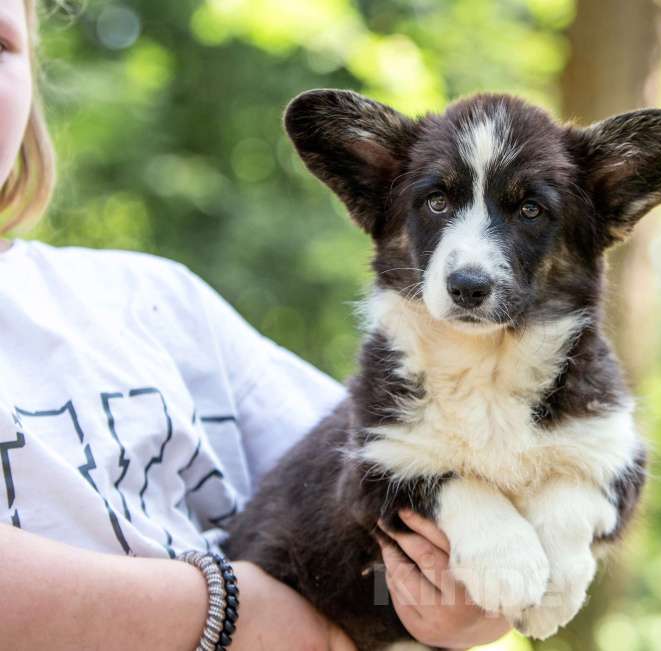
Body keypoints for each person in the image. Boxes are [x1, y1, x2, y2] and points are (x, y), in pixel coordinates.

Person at [0, 0, 511, 648]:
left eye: (0, 44)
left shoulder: (156, 303)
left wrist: (455, 598)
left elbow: (388, 529)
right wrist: (233, 613)